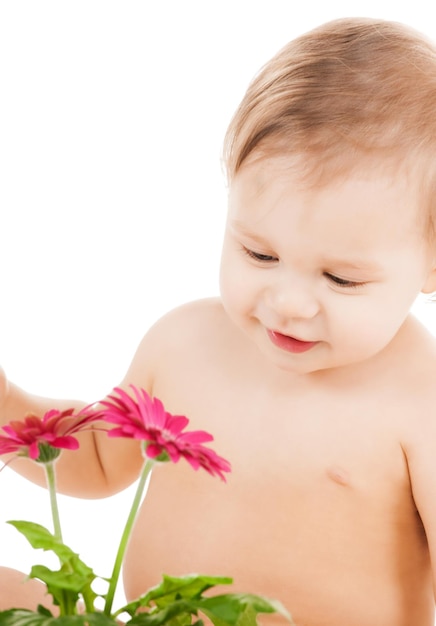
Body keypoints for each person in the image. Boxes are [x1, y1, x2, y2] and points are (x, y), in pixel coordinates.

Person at [1, 15, 436, 626]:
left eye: (340, 279)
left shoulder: (421, 398)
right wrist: (6, 401)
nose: (288, 302)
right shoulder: (183, 345)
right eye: (259, 254)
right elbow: (98, 458)